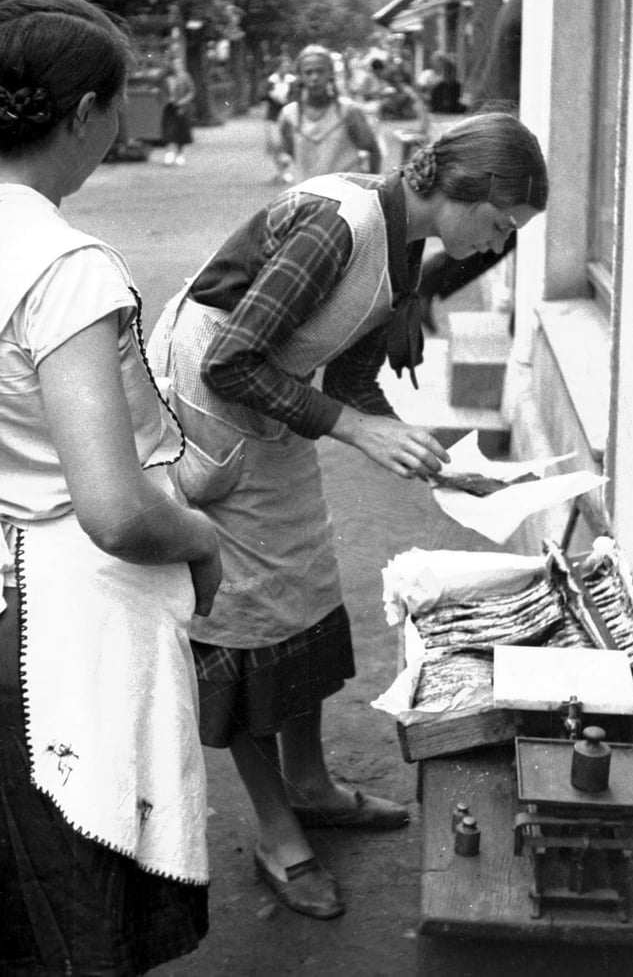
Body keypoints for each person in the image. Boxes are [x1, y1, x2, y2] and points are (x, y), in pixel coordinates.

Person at [147, 110, 548, 922]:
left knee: (304, 591)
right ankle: (275, 828)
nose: (499, 245)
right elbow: (230, 362)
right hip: (210, 411)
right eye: (502, 225)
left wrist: (442, 459)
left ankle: (311, 781)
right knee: (244, 623)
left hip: (267, 407)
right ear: (466, 192)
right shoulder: (342, 225)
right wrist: (358, 430)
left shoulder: (405, 247)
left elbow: (352, 385)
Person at [0, 0, 222, 975]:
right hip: (54, 628)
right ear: (87, 114)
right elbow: (116, 509)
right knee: (73, 901)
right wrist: (203, 538)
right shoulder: (62, 264)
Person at [418, 0, 523, 330]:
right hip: (506, 130)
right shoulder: (531, 1)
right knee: (501, 228)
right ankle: (427, 283)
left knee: (506, 228)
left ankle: (428, 284)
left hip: (499, 124)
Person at [278, 44, 381, 181]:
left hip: (346, 195)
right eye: (308, 72)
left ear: (330, 74)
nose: (314, 78)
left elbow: (373, 149)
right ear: (300, 76)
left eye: (320, 71)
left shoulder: (348, 111)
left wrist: (371, 189)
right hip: (307, 194)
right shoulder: (290, 116)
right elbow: (289, 151)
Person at [263, 53, 297, 184]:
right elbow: (263, 95)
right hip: (273, 116)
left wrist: (286, 100)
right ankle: (279, 172)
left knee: (286, 145)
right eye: (283, 66)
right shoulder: (271, 81)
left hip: (288, 117)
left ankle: (286, 172)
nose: (285, 68)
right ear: (277, 67)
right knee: (276, 145)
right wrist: (272, 95)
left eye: (287, 66)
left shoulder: (292, 81)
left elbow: (295, 97)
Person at [161, 54, 196, 166]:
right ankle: (170, 153)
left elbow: (191, 91)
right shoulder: (167, 78)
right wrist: (166, 100)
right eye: (174, 64)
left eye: (178, 63)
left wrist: (183, 101)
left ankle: (180, 154)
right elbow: (163, 92)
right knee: (169, 130)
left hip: (182, 108)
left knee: (181, 131)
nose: (176, 66)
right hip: (170, 107)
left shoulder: (185, 77)